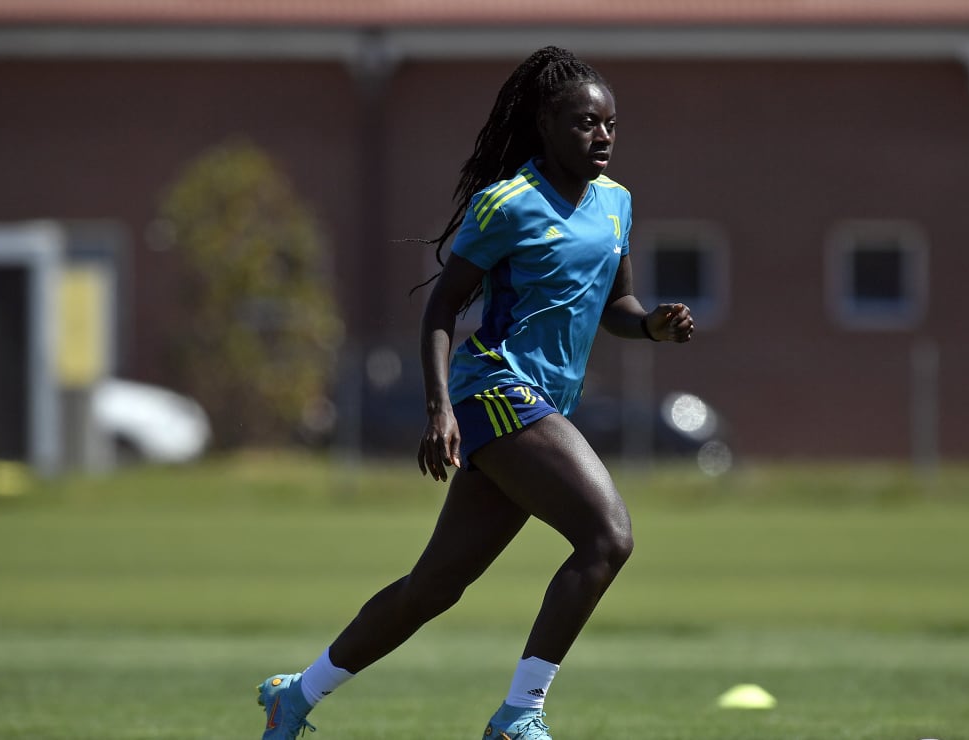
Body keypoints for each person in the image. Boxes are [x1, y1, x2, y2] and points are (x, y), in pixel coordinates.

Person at [256, 45, 694, 740]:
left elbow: (619, 305)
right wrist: (439, 410)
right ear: (546, 126)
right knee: (608, 537)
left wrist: (653, 331)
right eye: (584, 122)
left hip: (542, 406)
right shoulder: (507, 204)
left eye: (610, 123)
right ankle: (520, 715)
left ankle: (296, 695)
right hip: (496, 387)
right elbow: (441, 310)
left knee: (433, 588)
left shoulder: (617, 206)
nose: (602, 135)